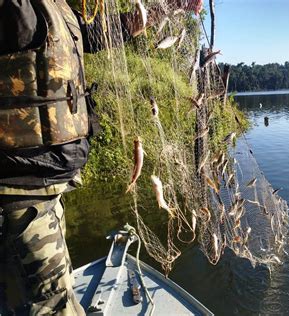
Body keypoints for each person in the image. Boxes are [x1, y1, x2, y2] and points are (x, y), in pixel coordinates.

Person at [0, 0, 166, 314]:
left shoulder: (56, 7)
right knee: (50, 306)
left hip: (47, 187)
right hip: (19, 192)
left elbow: (92, 34)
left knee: (55, 293)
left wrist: (160, 10)